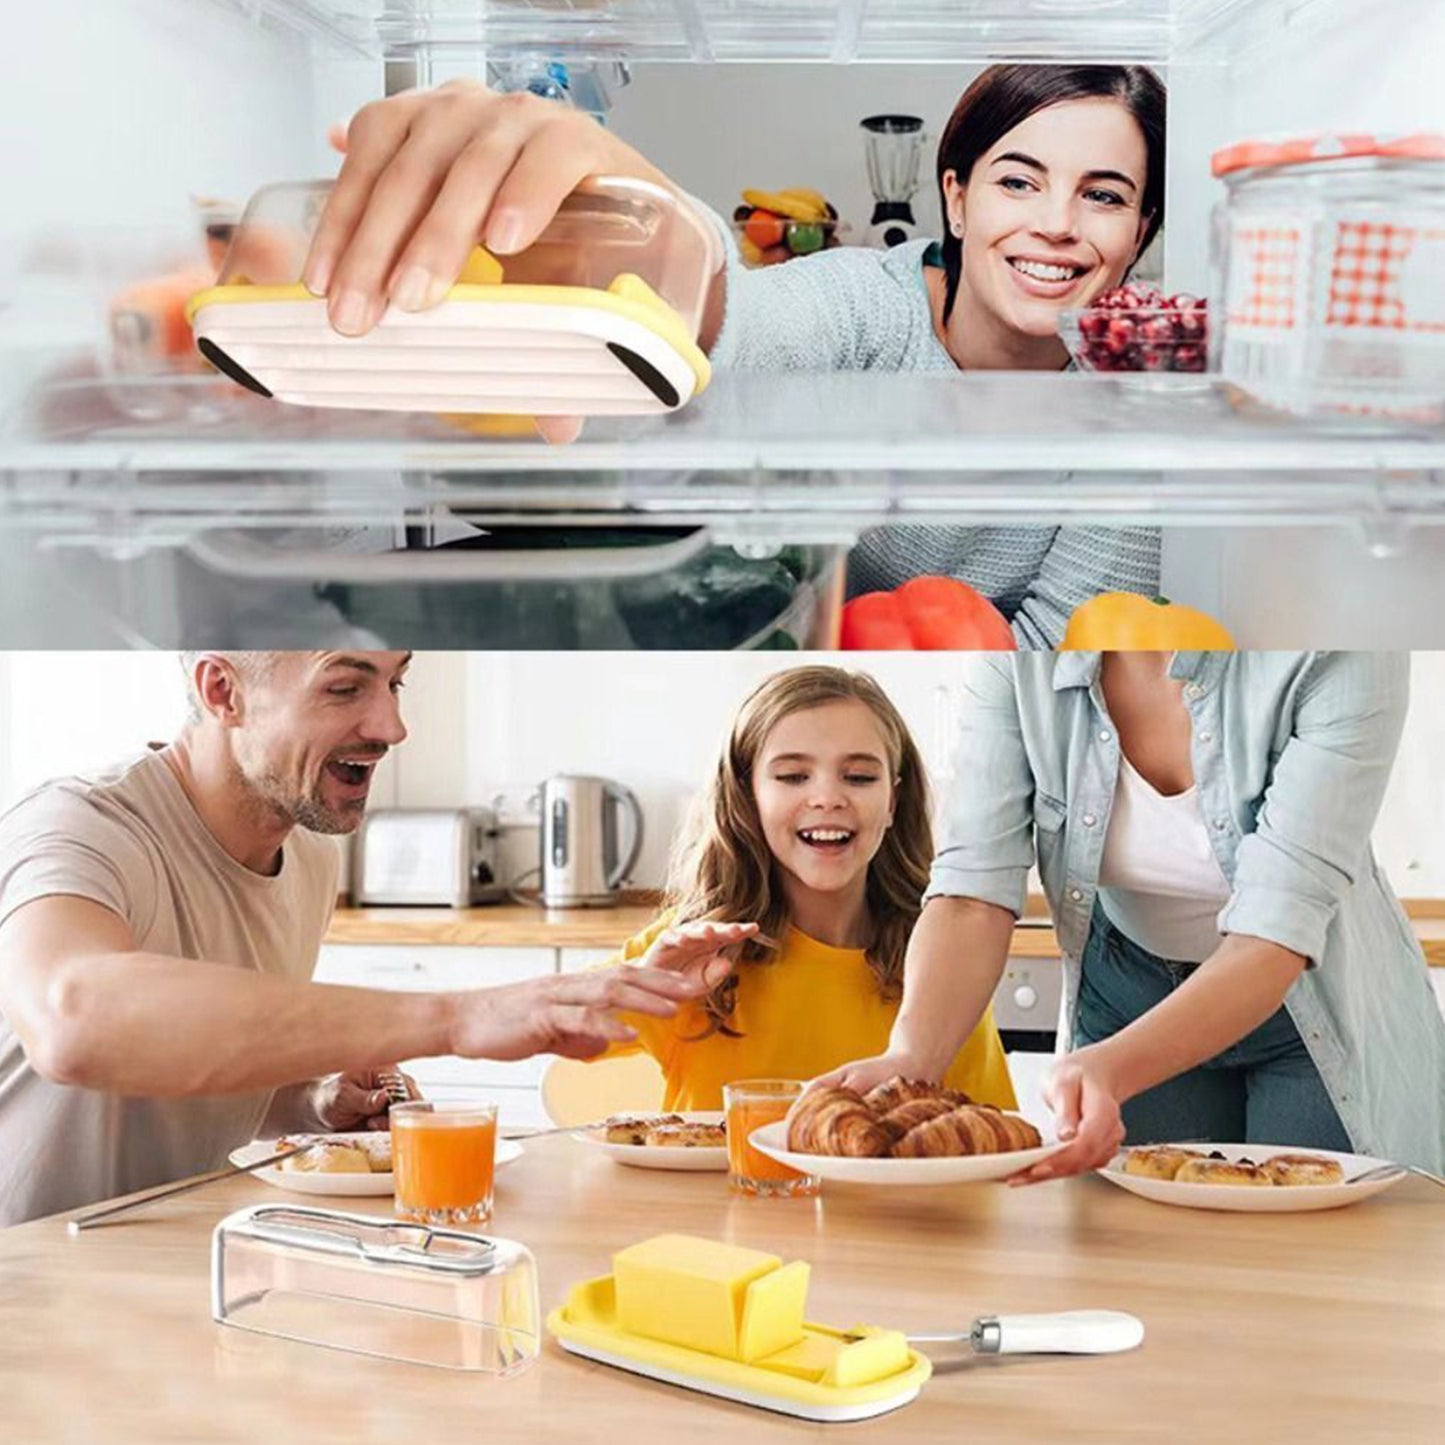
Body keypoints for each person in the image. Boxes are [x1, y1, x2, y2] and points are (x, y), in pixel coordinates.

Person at [298, 64, 1166, 647]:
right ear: (955, 197)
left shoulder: (1137, 404)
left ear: (1140, 234)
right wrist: (660, 242)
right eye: (1018, 179)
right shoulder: (870, 301)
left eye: (1103, 195)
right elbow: (736, 331)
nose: (1055, 221)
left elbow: (1071, 648)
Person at [0, 651, 719, 1226]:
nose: (391, 725)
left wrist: (311, 1099)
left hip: (156, 1262)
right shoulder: (80, 824)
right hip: (31, 1287)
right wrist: (458, 1016)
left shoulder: (309, 855)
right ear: (223, 691)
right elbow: (74, 1020)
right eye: (345, 686)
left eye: (396, 681)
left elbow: (188, 1060)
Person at [815, 652, 1445, 1178]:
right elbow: (972, 891)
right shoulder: (1019, 649)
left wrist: (1112, 1070)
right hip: (1127, 995)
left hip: (1313, 1009)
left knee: (1314, 1272)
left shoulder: (1337, 648)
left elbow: (1275, 931)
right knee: (1146, 1265)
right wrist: (913, 1056)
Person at [591, 666, 1014, 1111]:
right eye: (793, 777)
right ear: (747, 797)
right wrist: (641, 986)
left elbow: (988, 1141)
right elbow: (556, 1027)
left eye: (859, 777)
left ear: (892, 801)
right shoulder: (692, 952)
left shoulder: (944, 969)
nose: (827, 797)